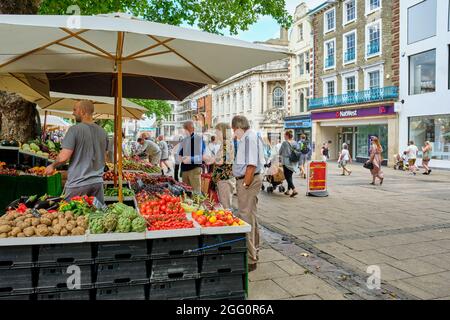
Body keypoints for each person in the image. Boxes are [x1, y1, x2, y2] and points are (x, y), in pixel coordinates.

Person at [45, 100, 108, 204]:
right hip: (97, 184)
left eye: (75, 110)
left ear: (82, 111)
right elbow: (105, 158)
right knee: (95, 217)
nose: (73, 113)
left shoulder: (74, 130)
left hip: (78, 184)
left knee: (69, 217)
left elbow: (64, 157)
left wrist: (52, 166)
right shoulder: (103, 132)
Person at [232, 115, 265, 272]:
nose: (234, 134)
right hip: (249, 180)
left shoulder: (248, 139)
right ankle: (255, 251)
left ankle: (251, 258)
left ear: (238, 128)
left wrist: (245, 184)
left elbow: (251, 166)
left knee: (246, 218)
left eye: (234, 130)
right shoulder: (251, 137)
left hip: (248, 181)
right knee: (251, 216)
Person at [211, 123, 235, 209]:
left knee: (225, 207)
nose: (216, 133)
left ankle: (227, 222)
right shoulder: (225, 144)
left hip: (225, 180)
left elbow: (221, 161)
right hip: (223, 179)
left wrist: (211, 159)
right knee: (224, 205)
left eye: (217, 131)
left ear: (223, 132)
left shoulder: (226, 144)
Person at [178, 120, 206, 193]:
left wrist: (189, 159)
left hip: (194, 169)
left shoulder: (198, 138)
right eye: (185, 128)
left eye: (187, 128)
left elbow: (201, 155)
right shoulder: (184, 139)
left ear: (192, 129)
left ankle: (197, 203)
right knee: (186, 191)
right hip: (185, 169)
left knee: (196, 192)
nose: (185, 131)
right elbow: (180, 153)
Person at [279, 130, 299, 197]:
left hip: (286, 162)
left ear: (287, 135)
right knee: (290, 176)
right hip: (293, 162)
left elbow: (280, 151)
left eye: (284, 135)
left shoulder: (285, 143)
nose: (284, 136)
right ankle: (288, 191)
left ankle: (294, 190)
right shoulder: (295, 142)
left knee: (287, 177)